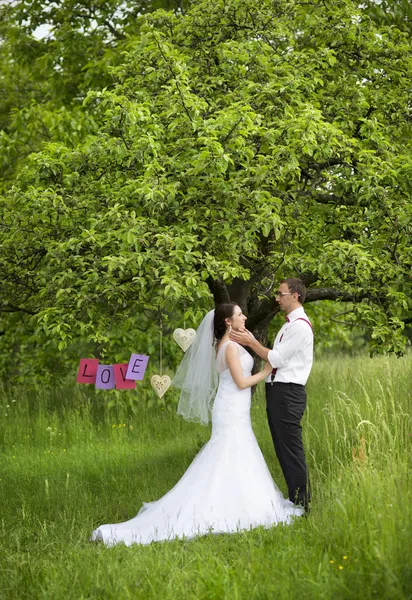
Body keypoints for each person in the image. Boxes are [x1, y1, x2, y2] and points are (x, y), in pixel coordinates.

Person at [91, 303, 303, 547]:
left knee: (235, 454)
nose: (244, 317)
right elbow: (242, 383)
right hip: (231, 408)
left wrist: (253, 342)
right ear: (227, 322)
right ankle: (225, 508)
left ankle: (235, 502)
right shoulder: (231, 348)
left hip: (234, 407)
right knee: (230, 451)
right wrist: (267, 370)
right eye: (239, 315)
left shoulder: (226, 345)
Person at [230, 278, 313, 511]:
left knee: (291, 449)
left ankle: (302, 504)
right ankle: (296, 500)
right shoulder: (289, 325)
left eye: (281, 293)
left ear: (294, 296)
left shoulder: (299, 326)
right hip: (279, 391)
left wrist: (251, 341)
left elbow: (275, 358)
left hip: (288, 393)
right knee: (282, 448)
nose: (277, 298)